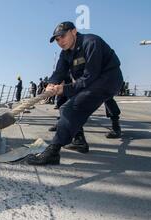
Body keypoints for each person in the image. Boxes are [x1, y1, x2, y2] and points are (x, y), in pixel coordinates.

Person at [27, 21, 123, 165]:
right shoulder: (65, 53)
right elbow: (59, 71)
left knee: (69, 108)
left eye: (62, 36)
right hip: (90, 81)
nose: (60, 42)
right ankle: (79, 141)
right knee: (71, 104)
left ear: (74, 31)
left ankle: (53, 151)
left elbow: (90, 76)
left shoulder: (91, 42)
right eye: (57, 40)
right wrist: (51, 85)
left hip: (108, 80)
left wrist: (63, 89)